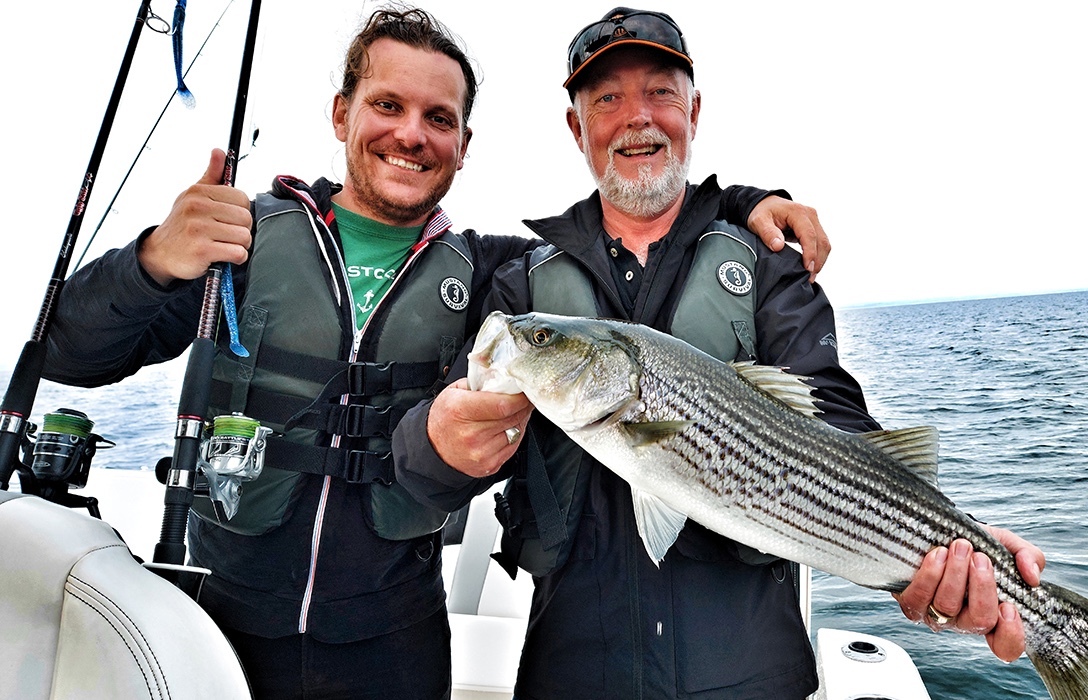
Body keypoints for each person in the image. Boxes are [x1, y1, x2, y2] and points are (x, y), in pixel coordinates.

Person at [42, 5, 838, 699]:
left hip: (394, 639)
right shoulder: (240, 240)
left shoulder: (492, 272)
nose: (411, 134)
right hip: (219, 615)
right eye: (387, 105)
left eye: (439, 117)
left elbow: (633, 232)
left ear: (463, 143)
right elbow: (68, 354)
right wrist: (151, 262)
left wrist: (745, 203)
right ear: (341, 113)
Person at [394, 7, 1047, 699]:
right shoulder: (520, 282)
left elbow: (835, 417)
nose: (637, 117)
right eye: (607, 99)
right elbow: (429, 475)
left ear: (694, 111)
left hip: (751, 677)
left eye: (660, 93)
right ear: (576, 127)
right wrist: (437, 450)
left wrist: (954, 544)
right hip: (573, 674)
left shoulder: (768, 264)